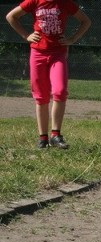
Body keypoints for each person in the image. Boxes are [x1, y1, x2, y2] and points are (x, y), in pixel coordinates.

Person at [6, 0, 91, 149]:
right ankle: (43, 138)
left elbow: (85, 21)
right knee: (41, 96)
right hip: (38, 53)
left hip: (58, 53)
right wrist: (26, 35)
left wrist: (72, 39)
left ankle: (55, 135)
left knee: (60, 91)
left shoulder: (65, 3)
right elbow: (11, 16)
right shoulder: (34, 1)